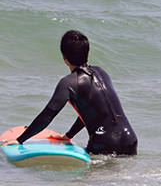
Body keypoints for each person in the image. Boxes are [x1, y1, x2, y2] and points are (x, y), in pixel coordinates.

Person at [3, 30, 137, 155]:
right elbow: (93, 111)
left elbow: (47, 116)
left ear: (64, 57)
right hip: (130, 140)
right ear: (88, 53)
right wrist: (68, 136)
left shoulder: (68, 83)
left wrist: (20, 140)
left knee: (84, 180)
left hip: (104, 144)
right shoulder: (101, 73)